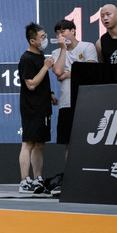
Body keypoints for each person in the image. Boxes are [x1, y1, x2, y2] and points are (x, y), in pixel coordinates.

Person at [18, 23, 56, 197]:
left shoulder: (40, 55)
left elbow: (41, 82)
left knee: (40, 144)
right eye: (42, 37)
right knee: (29, 143)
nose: (45, 39)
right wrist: (46, 67)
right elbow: (31, 84)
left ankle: (37, 179)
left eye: (45, 35)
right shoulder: (26, 59)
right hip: (31, 108)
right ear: (32, 41)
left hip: (43, 106)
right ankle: (24, 181)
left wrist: (50, 93)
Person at [51, 20, 96, 161]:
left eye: (63, 32)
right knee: (69, 143)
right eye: (57, 34)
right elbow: (58, 71)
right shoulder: (56, 52)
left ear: (73, 31)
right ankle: (70, 173)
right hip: (66, 103)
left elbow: (89, 69)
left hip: (86, 101)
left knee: (89, 140)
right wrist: (63, 49)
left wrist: (67, 74)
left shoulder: (87, 46)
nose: (60, 36)